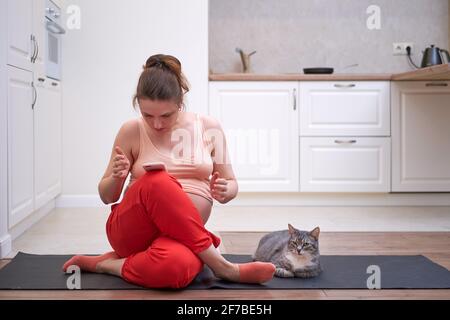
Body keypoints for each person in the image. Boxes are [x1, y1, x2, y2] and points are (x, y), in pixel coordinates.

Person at [62, 54, 276, 288]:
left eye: (166, 115)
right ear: (138, 106)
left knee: (175, 268)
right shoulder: (131, 130)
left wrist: (226, 190)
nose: (157, 124)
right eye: (147, 115)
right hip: (131, 233)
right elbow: (107, 196)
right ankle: (223, 266)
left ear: (180, 103)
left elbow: (232, 182)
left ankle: (104, 264)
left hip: (179, 239)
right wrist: (116, 176)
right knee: (158, 181)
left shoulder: (209, 127)